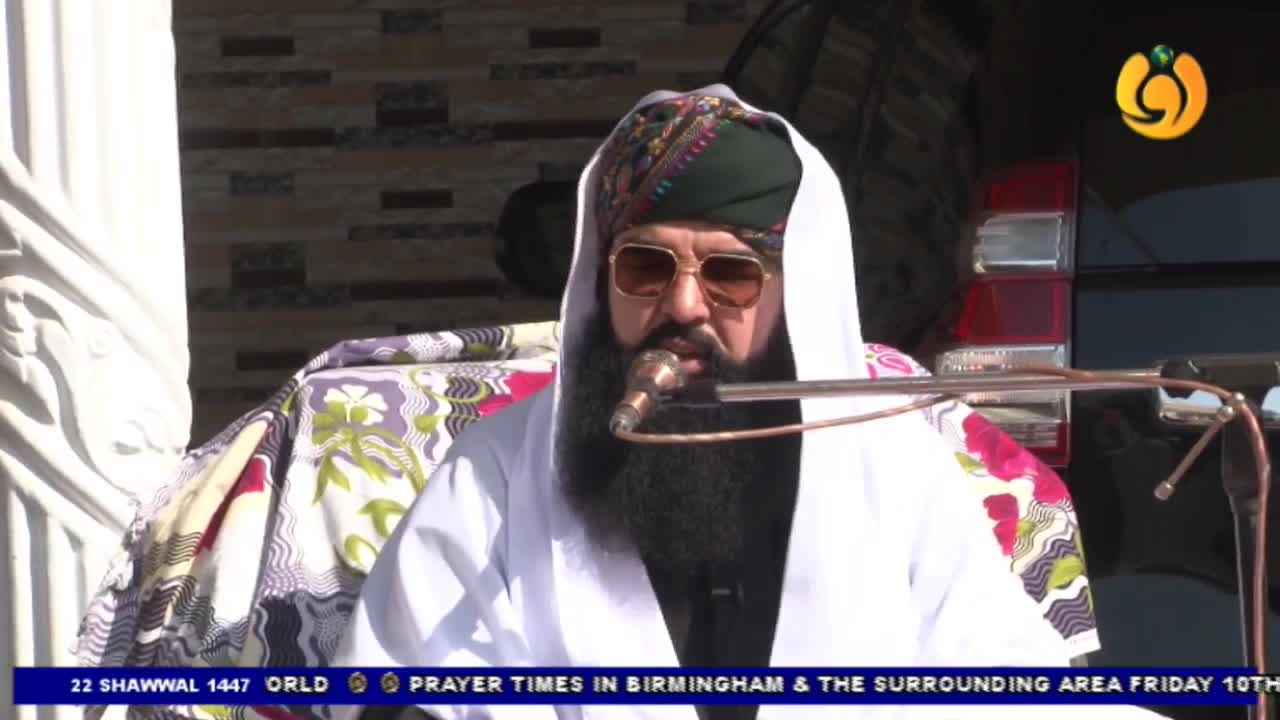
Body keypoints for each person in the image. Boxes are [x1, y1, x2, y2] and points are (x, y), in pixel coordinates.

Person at [330, 86, 1166, 720]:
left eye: (730, 273)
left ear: (790, 293)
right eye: (647, 268)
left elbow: (1005, 690)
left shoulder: (890, 464)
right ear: (603, 281)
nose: (685, 306)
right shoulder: (498, 475)